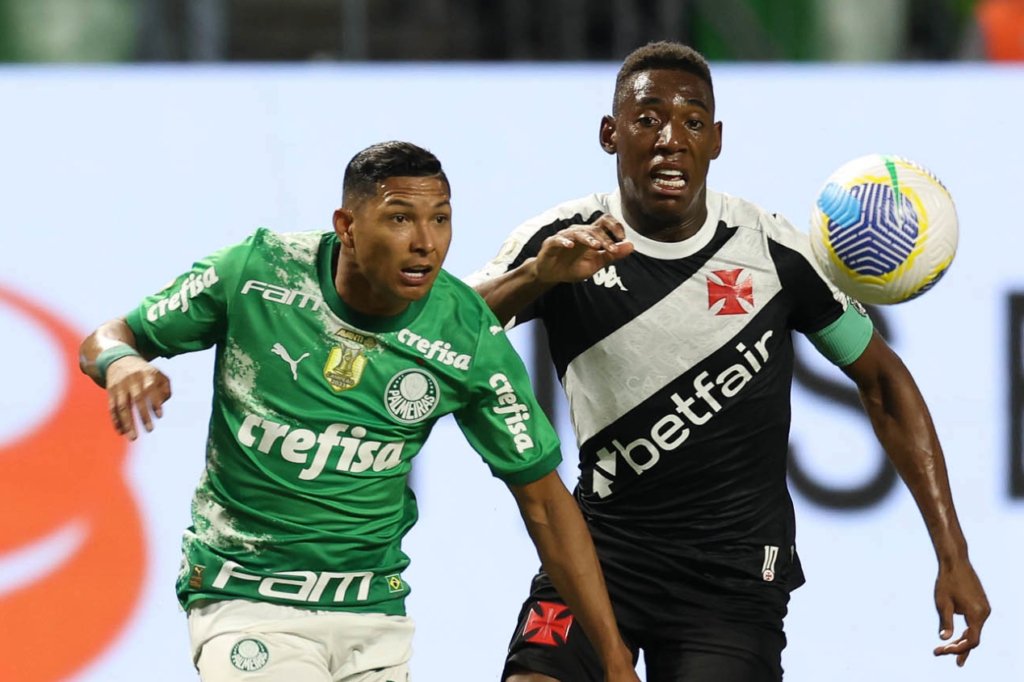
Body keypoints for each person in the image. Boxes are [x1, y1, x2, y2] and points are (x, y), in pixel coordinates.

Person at [467, 42, 991, 681]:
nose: (670, 139)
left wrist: (953, 554)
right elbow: (447, 328)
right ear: (610, 134)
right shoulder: (564, 237)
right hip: (601, 554)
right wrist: (535, 277)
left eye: (691, 122)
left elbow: (883, 381)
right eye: (648, 118)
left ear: (715, 141)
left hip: (733, 574)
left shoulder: (772, 252)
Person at [78, 141, 640, 682]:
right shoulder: (258, 271)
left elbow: (544, 501)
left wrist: (613, 660)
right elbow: (107, 337)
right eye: (400, 219)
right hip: (245, 596)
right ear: (346, 226)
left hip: (373, 614)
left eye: (440, 219)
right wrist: (123, 362)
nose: (426, 242)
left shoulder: (465, 333)